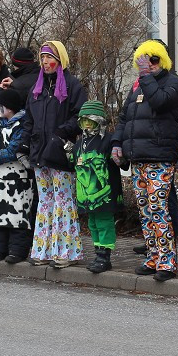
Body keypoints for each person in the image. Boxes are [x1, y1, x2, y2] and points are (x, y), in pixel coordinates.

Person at [111, 39, 178, 281]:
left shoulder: (173, 82)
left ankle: (167, 262)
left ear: (161, 59)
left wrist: (146, 77)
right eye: (145, 60)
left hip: (160, 157)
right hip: (139, 158)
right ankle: (153, 257)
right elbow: (124, 119)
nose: (150, 65)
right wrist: (117, 144)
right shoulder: (137, 87)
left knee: (158, 209)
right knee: (145, 211)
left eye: (153, 60)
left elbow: (160, 101)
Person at [22, 40, 87, 267]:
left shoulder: (72, 85)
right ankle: (42, 250)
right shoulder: (37, 88)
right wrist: (25, 144)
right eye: (42, 58)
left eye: (50, 57)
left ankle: (66, 251)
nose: (46, 62)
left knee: (63, 200)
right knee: (45, 201)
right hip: (39, 151)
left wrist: (62, 133)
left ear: (60, 60)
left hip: (60, 151)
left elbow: (81, 116)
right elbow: (29, 118)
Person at [0, 86, 33, 264]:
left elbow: (15, 148)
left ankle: (18, 251)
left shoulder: (21, 126)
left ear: (9, 107)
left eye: (0, 105)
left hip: (17, 180)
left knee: (17, 216)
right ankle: (0, 249)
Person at [70, 100, 121, 273]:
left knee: (104, 222)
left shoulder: (109, 140)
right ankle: (98, 252)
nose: (86, 124)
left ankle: (105, 256)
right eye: (83, 120)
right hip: (85, 195)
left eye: (90, 120)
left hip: (104, 193)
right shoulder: (79, 144)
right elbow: (73, 164)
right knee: (92, 222)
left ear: (99, 120)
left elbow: (120, 162)